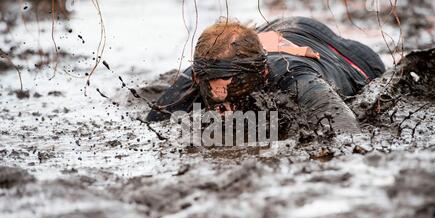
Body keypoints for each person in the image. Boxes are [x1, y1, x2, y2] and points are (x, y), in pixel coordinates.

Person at [146, 16, 385, 133]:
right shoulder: (200, 74)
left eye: (234, 89)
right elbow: (152, 127)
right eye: (214, 92)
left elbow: (347, 131)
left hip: (349, 57)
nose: (224, 105)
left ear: (262, 73)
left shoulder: (294, 79)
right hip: (273, 29)